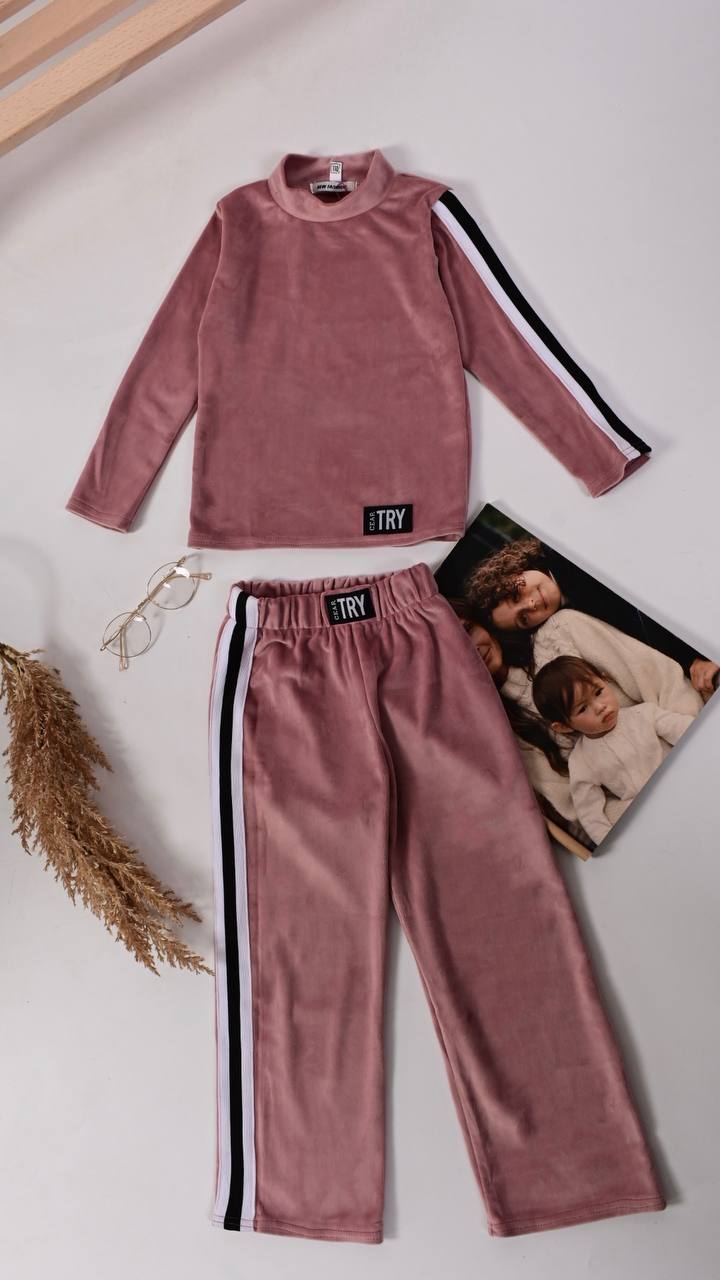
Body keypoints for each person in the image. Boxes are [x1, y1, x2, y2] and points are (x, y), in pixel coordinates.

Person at [464, 537, 719, 701]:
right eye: (524, 618)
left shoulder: (565, 553)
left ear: (514, 570)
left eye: (515, 594)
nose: (530, 604)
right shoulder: (572, 619)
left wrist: (691, 657)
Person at [532, 657, 695, 844]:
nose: (600, 707)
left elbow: (686, 730)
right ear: (563, 726)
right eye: (582, 708)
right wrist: (611, 843)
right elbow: (589, 813)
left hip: (685, 782)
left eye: (598, 692)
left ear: (605, 679)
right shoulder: (581, 761)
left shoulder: (644, 714)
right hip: (651, 818)